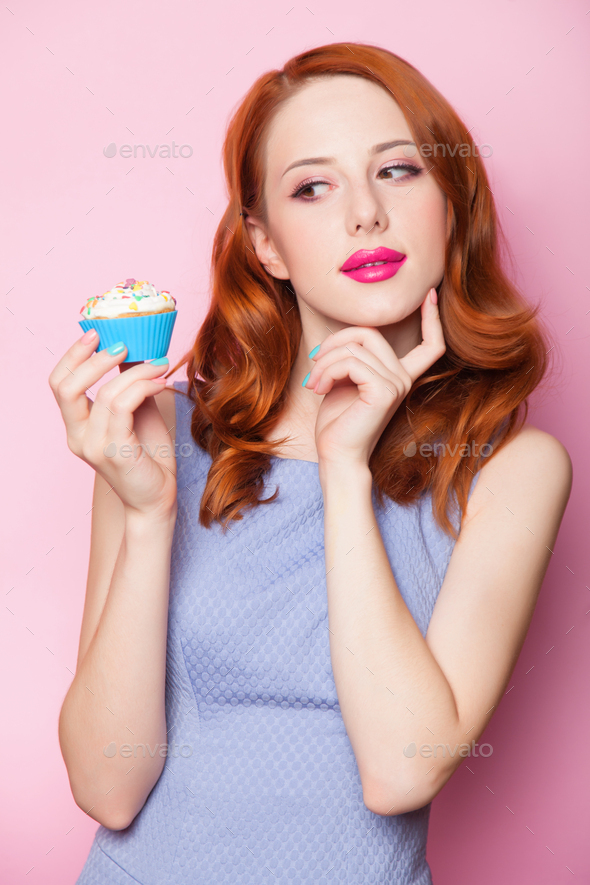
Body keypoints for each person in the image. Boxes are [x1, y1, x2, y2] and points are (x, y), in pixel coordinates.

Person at [49, 42, 572, 885]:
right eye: (313, 186)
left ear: (451, 203)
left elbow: (402, 768)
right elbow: (107, 786)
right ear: (268, 246)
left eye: (398, 171)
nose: (365, 213)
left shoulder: (512, 470)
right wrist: (148, 515)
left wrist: (344, 467)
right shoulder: (160, 435)